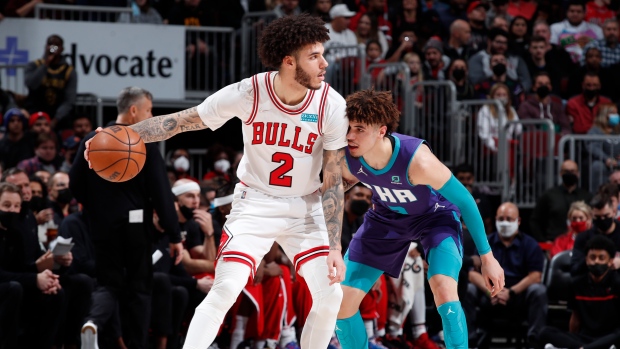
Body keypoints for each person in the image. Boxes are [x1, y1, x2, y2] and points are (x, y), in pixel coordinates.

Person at [84, 14, 348, 349]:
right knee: (224, 289)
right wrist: (120, 135)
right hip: (256, 204)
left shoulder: (332, 105)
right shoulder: (249, 92)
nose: (325, 63)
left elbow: (334, 181)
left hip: (306, 208)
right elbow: (182, 121)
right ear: (288, 61)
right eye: (314, 56)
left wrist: (336, 247)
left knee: (331, 294)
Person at [334, 89, 504, 349]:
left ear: (381, 131)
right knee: (342, 301)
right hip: (386, 218)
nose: (350, 136)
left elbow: (466, 201)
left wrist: (487, 257)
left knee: (443, 287)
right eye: (349, 127)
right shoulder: (347, 158)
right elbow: (330, 190)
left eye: (359, 129)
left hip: (433, 218)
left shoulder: (419, 162)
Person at [71, 87, 183, 349]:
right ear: (134, 111)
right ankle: (135, 344)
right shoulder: (142, 141)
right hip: (135, 227)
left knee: (107, 285)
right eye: (148, 110)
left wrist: (99, 207)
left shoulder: (92, 139)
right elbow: (161, 191)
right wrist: (174, 233)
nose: (151, 115)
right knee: (139, 291)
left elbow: (75, 185)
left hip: (101, 226)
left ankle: (96, 326)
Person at [468, 202, 547, 345]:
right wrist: (490, 291)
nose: (505, 223)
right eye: (501, 219)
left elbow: (535, 276)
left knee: (539, 291)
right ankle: (469, 341)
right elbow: (472, 274)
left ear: (518, 221)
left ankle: (534, 340)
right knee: (468, 289)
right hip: (490, 295)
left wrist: (510, 292)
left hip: (517, 295)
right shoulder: (484, 243)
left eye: (509, 219)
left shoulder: (530, 245)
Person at [540, 235, 620, 349]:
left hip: (609, 338)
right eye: (592, 257)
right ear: (586, 259)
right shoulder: (577, 284)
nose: (596, 261)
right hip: (584, 338)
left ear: (610, 261)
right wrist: (571, 340)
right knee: (545, 332)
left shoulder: (617, 283)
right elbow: (575, 318)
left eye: (601, 258)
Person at [530, 160, 593, 242]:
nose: (569, 174)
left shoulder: (586, 196)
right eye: (566, 171)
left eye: (572, 171)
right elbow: (535, 221)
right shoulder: (549, 195)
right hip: (553, 243)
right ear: (560, 173)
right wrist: (543, 240)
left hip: (582, 242)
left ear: (578, 174)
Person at [24, 35, 77, 130]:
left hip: (58, 117)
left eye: (56, 45)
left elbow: (69, 100)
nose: (53, 47)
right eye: (50, 44)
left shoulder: (69, 71)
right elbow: (31, 84)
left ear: (62, 49)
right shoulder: (34, 65)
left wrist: (56, 119)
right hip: (35, 113)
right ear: (46, 46)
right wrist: (45, 65)